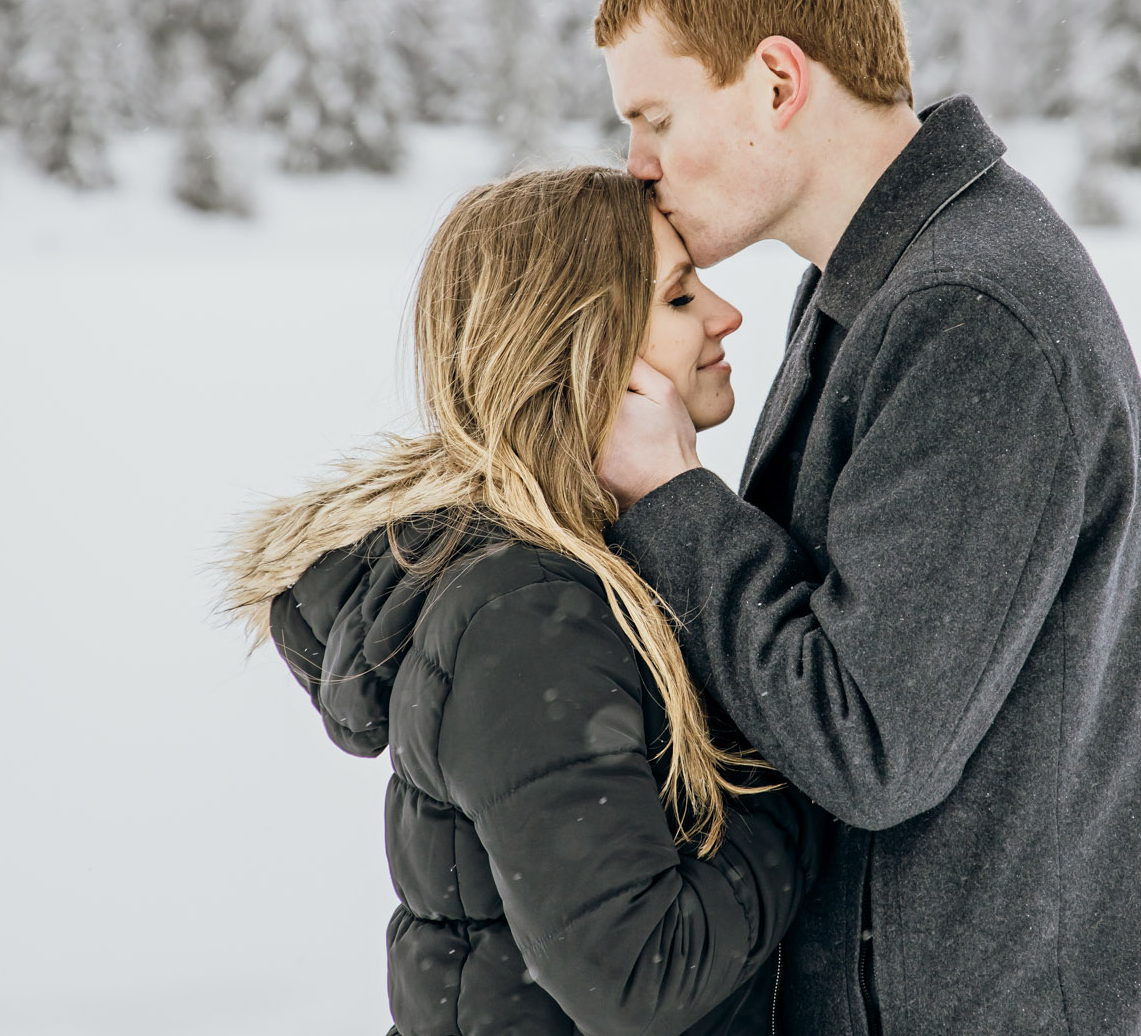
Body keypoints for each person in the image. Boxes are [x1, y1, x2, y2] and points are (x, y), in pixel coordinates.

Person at [594, 0, 1141, 1034]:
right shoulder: (867, 290)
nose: (637, 162)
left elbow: (866, 741)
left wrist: (671, 498)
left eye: (656, 120)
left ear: (776, 83)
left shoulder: (970, 310)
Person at [222, 167, 817, 1036]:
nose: (726, 314)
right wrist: (809, 772)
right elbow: (639, 975)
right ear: (587, 349)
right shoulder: (528, 615)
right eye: (682, 296)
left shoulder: (574, 569)